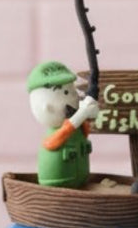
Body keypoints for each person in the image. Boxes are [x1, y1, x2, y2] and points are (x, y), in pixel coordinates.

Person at [27, 60, 100, 188]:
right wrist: (81, 114)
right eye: (67, 93)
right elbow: (52, 143)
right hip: (59, 184)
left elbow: (84, 133)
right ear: (48, 108)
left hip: (81, 180)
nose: (75, 97)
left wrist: (89, 114)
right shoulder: (57, 133)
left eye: (73, 91)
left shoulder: (75, 126)